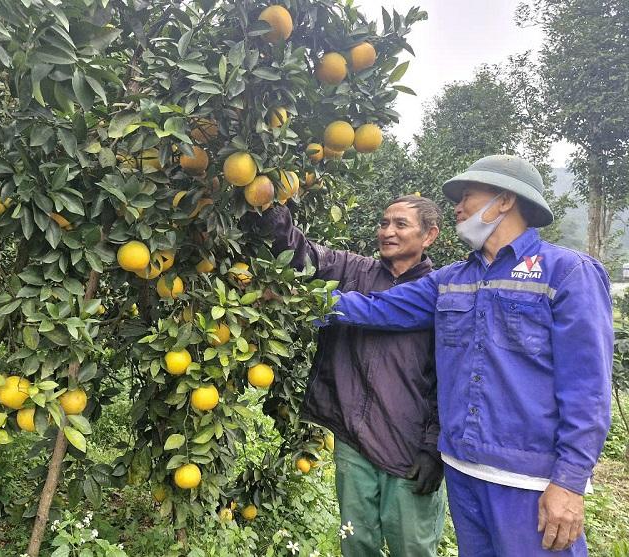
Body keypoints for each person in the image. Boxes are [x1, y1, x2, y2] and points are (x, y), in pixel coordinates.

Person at [320, 155, 613, 556]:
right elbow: (375, 309)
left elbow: (588, 388)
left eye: (467, 196)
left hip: (529, 479)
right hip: (462, 469)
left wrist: (569, 481)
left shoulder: (564, 272)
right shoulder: (452, 279)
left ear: (505, 200)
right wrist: (298, 297)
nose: (457, 207)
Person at [244, 195, 446, 557]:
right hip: (354, 440)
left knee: (412, 548)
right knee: (356, 544)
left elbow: (450, 377)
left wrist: (434, 447)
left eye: (401, 224)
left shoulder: (440, 293)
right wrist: (270, 202)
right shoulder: (354, 270)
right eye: (384, 223)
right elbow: (301, 255)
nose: (388, 232)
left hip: (409, 446)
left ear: (429, 235)